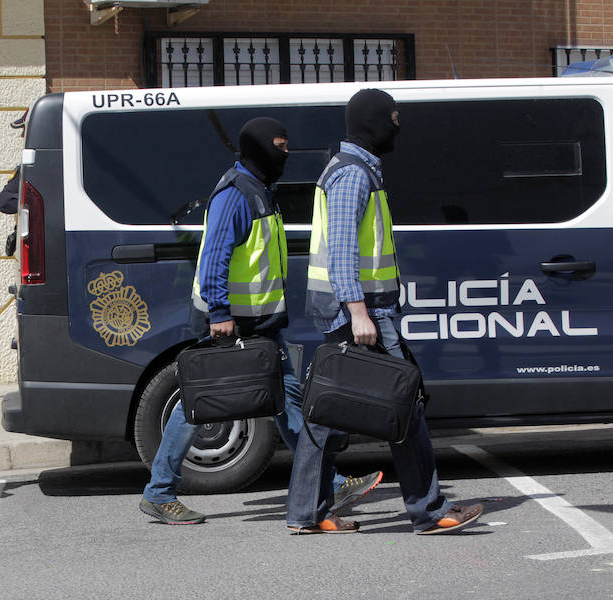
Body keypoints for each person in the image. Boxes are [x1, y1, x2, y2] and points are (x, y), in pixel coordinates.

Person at [139, 117, 382, 525]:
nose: (285, 154)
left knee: (288, 403)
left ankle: (329, 482)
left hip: (262, 324)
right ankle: (159, 491)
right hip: (234, 324)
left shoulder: (258, 190)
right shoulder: (236, 194)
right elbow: (215, 255)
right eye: (279, 146)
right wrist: (219, 314)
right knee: (199, 405)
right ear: (257, 149)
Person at [285, 89, 484, 534]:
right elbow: (340, 253)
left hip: (354, 310)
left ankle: (306, 514)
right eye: (393, 117)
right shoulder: (353, 174)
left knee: (328, 412)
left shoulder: (355, 170)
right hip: (361, 312)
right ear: (374, 122)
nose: (398, 126)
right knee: (404, 405)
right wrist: (359, 313)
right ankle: (429, 512)